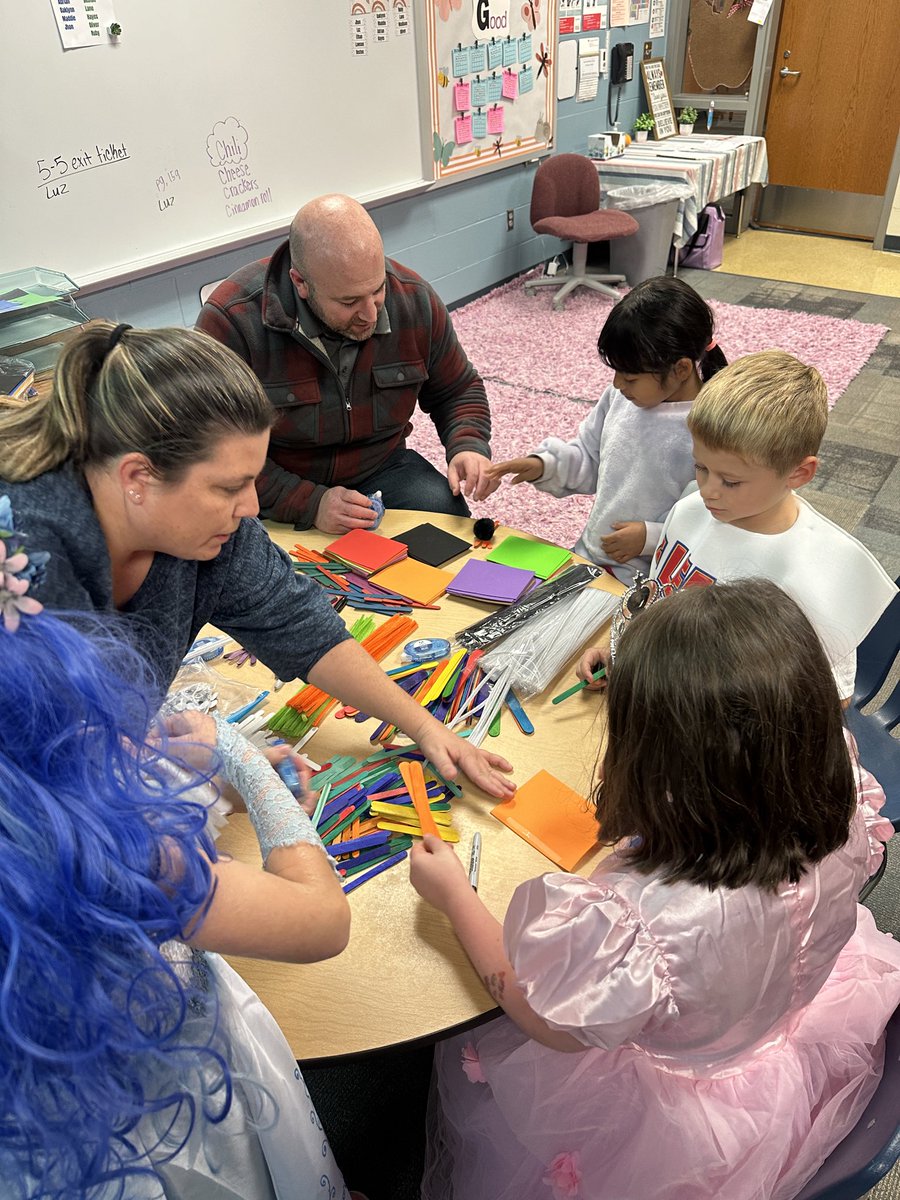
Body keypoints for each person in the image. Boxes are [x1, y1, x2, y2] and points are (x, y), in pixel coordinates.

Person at [410, 580, 900, 1200]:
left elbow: (547, 1021)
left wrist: (455, 896)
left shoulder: (636, 925)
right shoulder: (843, 790)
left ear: (657, 759)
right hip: (783, 1029)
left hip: (670, 1110)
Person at [0, 514, 365, 1197]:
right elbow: (321, 920)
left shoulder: (23, 824)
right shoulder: (122, 856)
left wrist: (180, 774)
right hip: (178, 1132)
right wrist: (241, 758)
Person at [0, 322, 515, 800]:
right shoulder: (25, 558)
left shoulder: (212, 533)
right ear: (138, 478)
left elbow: (300, 624)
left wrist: (425, 727)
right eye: (229, 487)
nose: (251, 508)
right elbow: (61, 770)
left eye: (252, 479)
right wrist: (195, 770)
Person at [578, 349, 897, 697]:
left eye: (731, 481)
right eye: (700, 467)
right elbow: (655, 600)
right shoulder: (689, 509)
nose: (708, 491)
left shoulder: (819, 571)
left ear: (799, 473)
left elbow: (831, 700)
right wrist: (622, 652)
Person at [196, 193, 497, 534]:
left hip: (382, 467)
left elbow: (457, 388)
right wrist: (310, 503)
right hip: (277, 482)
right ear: (300, 283)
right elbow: (215, 450)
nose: (371, 314)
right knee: (252, 569)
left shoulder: (414, 300)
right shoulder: (232, 322)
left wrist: (468, 446)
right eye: (349, 301)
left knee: (450, 522)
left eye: (377, 290)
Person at [485, 277, 727, 583]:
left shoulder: (710, 426)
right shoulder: (621, 398)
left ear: (680, 369)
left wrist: (649, 537)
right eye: (616, 373)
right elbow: (589, 457)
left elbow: (714, 517)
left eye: (630, 377)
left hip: (653, 579)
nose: (617, 384)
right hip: (591, 557)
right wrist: (542, 465)